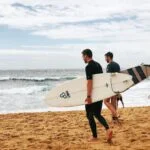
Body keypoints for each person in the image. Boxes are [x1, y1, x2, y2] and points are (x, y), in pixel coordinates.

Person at [82, 49, 113, 142]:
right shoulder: (98, 65)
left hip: (92, 95)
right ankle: (108, 129)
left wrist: (88, 96)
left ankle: (95, 136)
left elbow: (90, 82)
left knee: (89, 115)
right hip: (99, 93)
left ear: (86, 56)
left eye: (83, 56)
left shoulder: (88, 67)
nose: (82, 58)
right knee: (97, 114)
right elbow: (101, 80)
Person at [104, 52, 121, 122]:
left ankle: (116, 114)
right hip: (117, 86)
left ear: (108, 57)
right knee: (113, 101)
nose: (105, 59)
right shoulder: (117, 65)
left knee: (105, 101)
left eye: (105, 57)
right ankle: (114, 118)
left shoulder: (109, 66)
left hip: (111, 86)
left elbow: (108, 77)